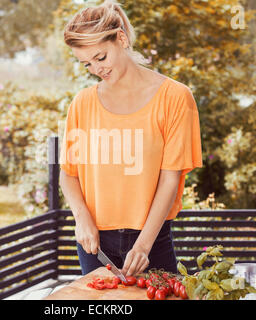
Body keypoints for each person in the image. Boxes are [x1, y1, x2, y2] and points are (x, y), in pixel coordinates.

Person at [59, 0, 203, 277]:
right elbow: (69, 174)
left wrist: (143, 245)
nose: (96, 69)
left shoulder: (174, 97)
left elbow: (169, 179)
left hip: (152, 240)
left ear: (121, 39)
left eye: (100, 57)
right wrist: (81, 219)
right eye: (86, 63)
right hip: (94, 244)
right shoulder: (82, 103)